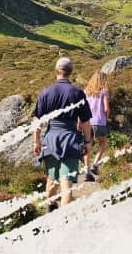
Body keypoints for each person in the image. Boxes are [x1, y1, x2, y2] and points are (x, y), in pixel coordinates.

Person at [32, 56, 92, 209]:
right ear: (70, 72)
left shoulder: (46, 92)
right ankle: (62, 222)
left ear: (56, 71)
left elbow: (36, 121)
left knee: (51, 180)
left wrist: (36, 141)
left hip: (51, 139)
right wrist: (88, 142)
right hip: (70, 140)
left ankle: (49, 212)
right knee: (67, 184)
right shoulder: (78, 93)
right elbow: (85, 122)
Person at [82, 70, 110, 181]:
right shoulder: (104, 91)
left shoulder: (86, 91)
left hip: (87, 122)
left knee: (87, 146)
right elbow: (106, 108)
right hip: (99, 121)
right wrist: (106, 118)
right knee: (103, 143)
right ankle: (95, 164)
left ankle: (86, 171)